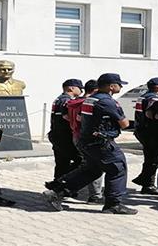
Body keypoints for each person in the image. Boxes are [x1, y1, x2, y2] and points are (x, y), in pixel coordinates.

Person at [43, 73, 137, 215]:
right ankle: (113, 204)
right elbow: (124, 124)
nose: (121, 87)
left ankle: (57, 191)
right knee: (117, 168)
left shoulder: (89, 99)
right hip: (102, 142)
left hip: (86, 140)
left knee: (92, 170)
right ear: (111, 86)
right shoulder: (107, 101)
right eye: (119, 84)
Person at [65, 79, 104, 203]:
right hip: (87, 137)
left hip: (75, 135)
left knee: (86, 165)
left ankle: (63, 186)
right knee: (95, 167)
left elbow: (66, 117)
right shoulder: (87, 103)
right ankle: (95, 195)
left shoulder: (73, 102)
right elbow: (82, 119)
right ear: (95, 90)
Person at [131, 77, 158, 195]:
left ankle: (146, 183)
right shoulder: (153, 98)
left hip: (141, 130)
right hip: (150, 132)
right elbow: (150, 114)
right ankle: (147, 183)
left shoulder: (143, 96)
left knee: (150, 157)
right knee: (154, 158)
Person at [48, 79, 84, 179]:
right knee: (79, 160)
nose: (81, 91)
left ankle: (57, 185)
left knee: (61, 163)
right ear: (71, 88)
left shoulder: (59, 99)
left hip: (57, 135)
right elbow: (68, 118)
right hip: (64, 136)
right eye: (80, 88)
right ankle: (65, 183)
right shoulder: (67, 101)